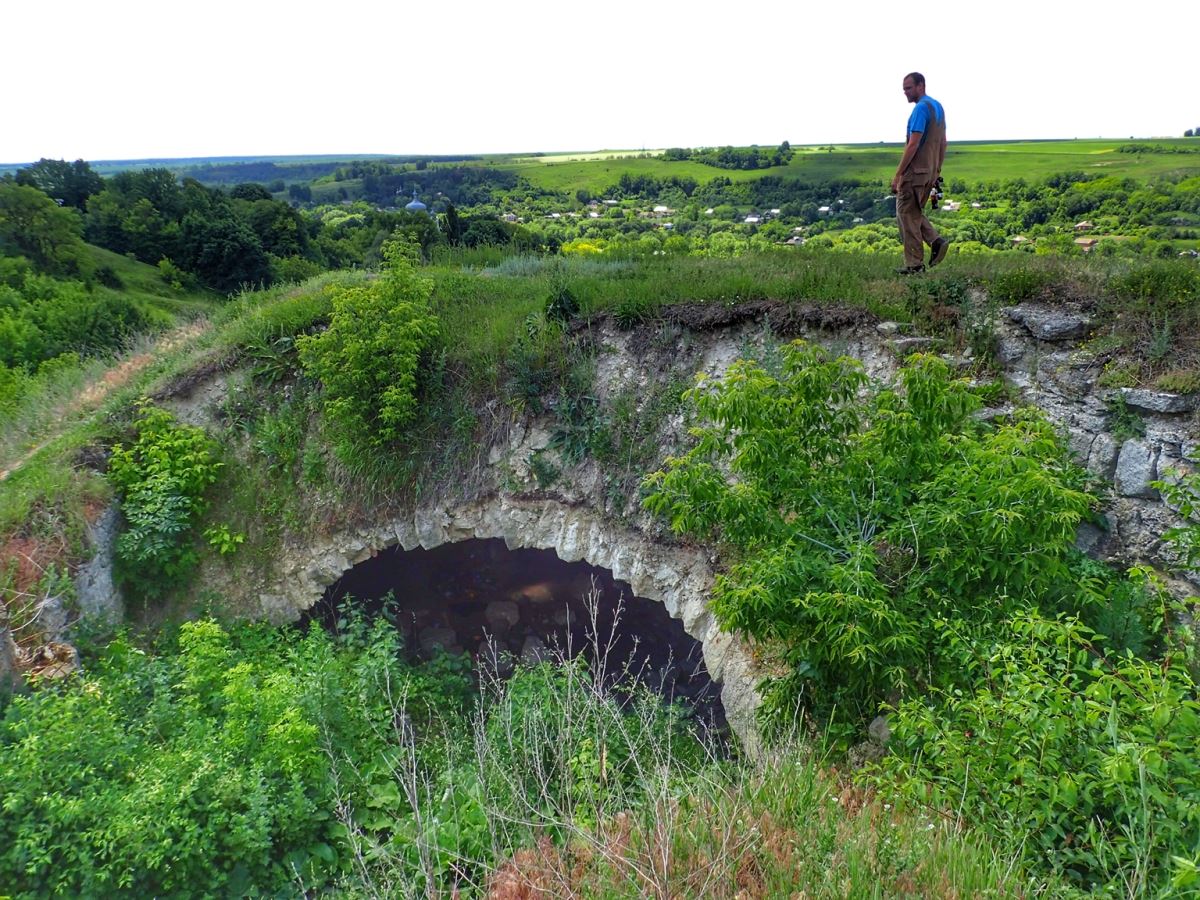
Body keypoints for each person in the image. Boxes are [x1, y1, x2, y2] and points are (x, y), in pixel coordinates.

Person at [890, 72, 949, 274]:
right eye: (904, 89)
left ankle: (915, 265)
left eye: (908, 88)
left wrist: (899, 174)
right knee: (913, 213)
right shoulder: (938, 107)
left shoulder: (921, 108)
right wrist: (937, 170)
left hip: (915, 172)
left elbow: (913, 143)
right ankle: (936, 242)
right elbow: (943, 142)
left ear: (920, 85)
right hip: (929, 172)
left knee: (905, 214)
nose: (905, 92)